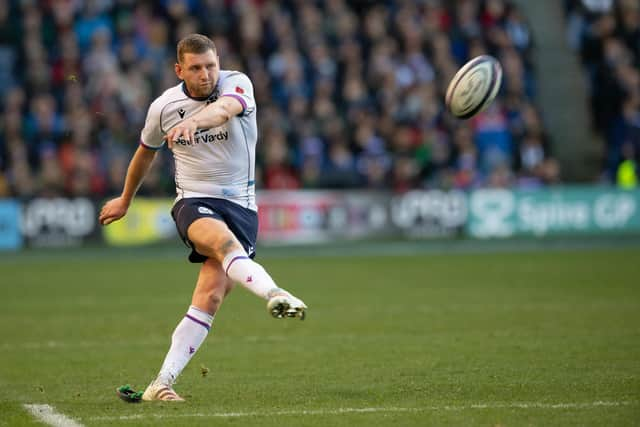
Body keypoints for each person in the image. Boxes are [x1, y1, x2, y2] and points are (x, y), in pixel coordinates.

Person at [98, 34, 307, 402]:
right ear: (180, 70)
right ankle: (274, 293)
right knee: (223, 243)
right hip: (194, 202)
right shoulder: (163, 107)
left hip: (241, 207)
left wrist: (197, 123)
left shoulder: (237, 82)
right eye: (195, 68)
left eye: (210, 65)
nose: (206, 74)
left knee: (209, 296)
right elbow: (145, 153)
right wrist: (126, 199)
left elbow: (225, 110)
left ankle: (159, 384)